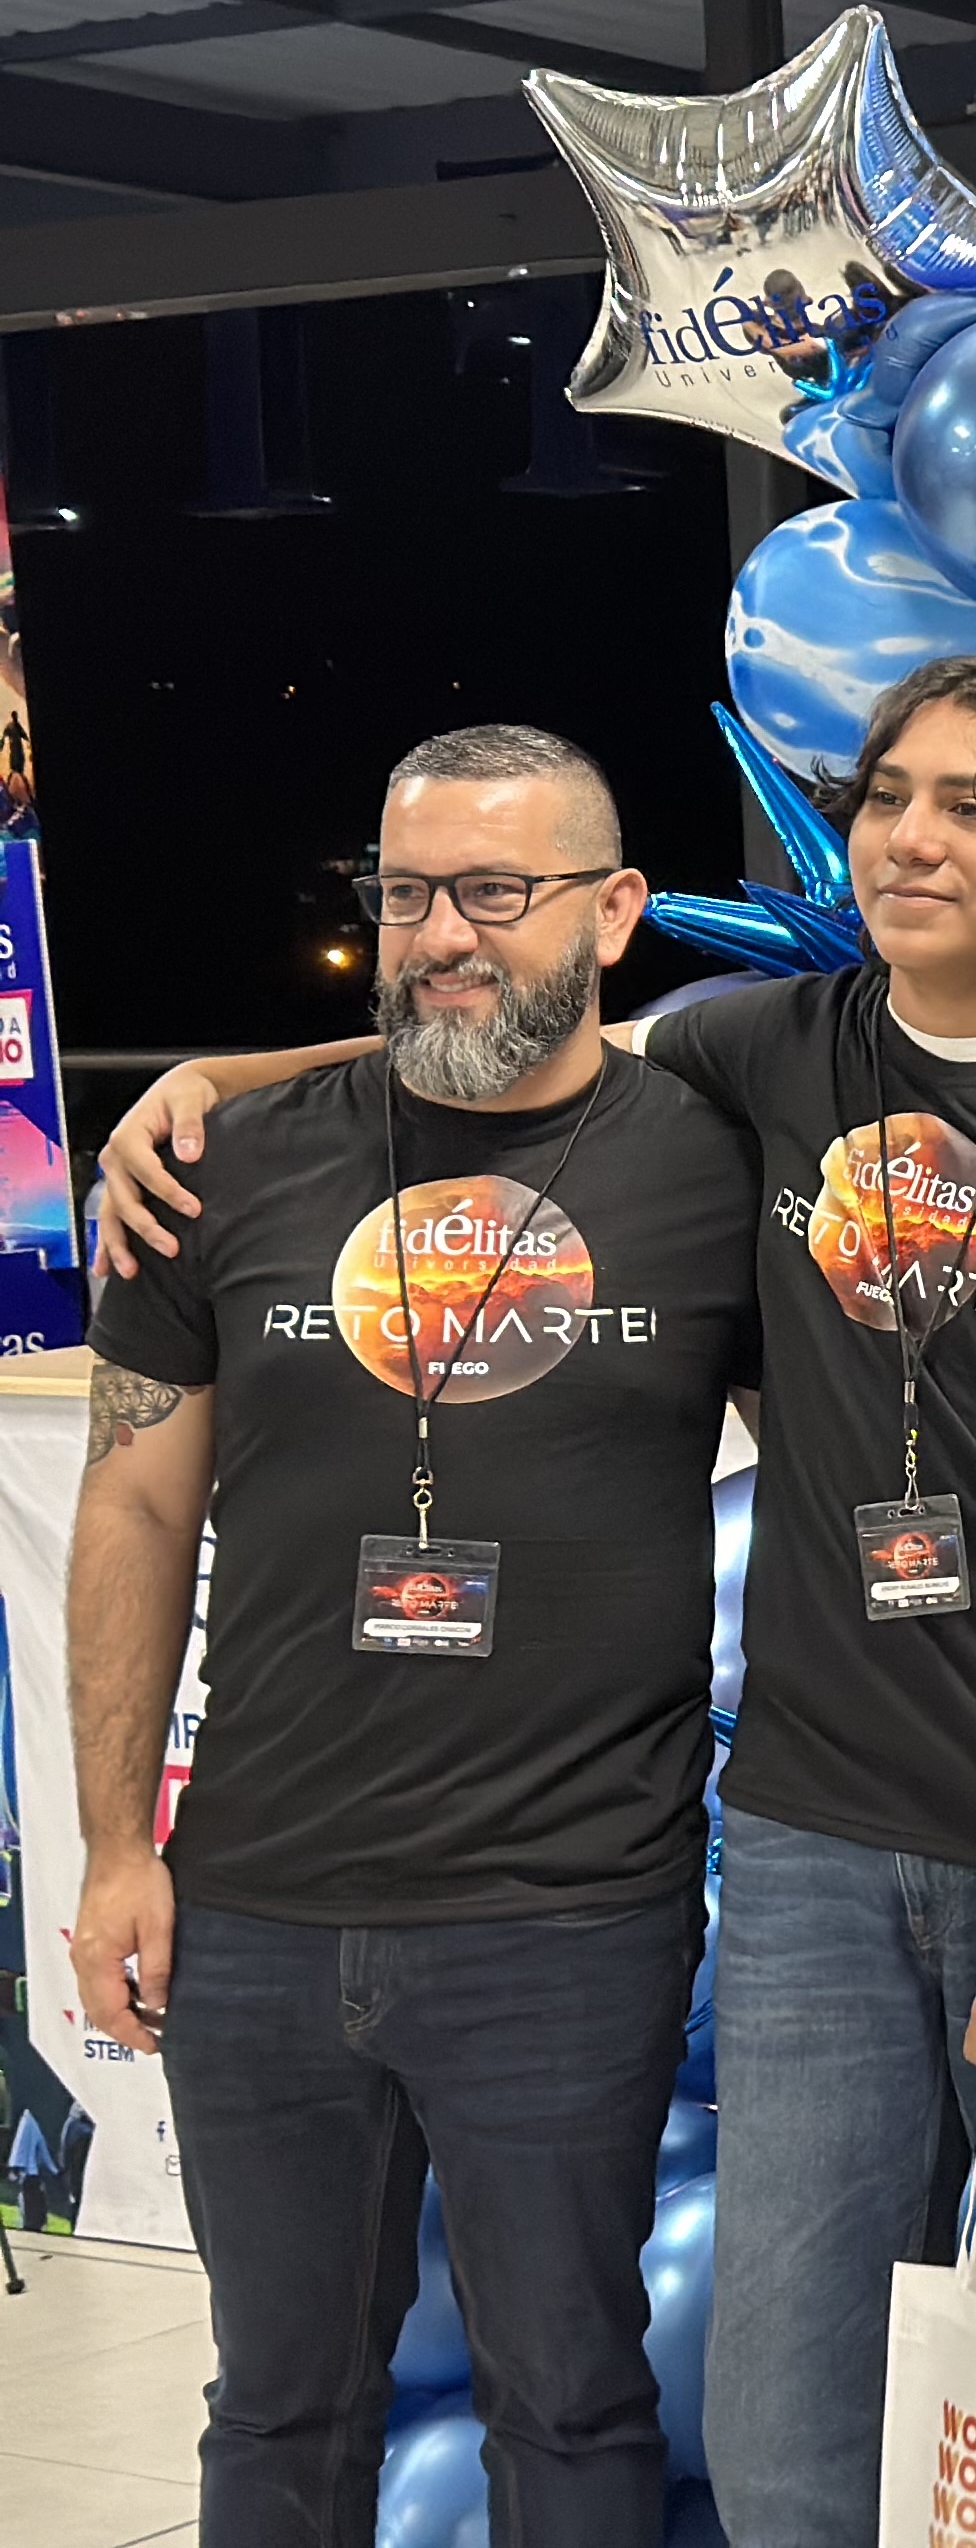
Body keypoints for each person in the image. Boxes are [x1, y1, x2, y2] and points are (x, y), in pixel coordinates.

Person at [94, 656, 976, 2548]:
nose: (908, 839)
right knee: (778, 2443)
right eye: (887, 797)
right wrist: (198, 1087)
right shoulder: (763, 1054)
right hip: (802, 1846)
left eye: (970, 805)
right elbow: (485, 1032)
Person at [68, 726, 759, 2548]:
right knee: (276, 2406)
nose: (444, 933)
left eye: (499, 892)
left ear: (615, 912)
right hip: (257, 1912)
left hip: (571, 1918)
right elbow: (131, 1509)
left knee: (573, 2401)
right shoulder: (220, 1168)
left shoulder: (718, 1166)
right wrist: (116, 1846)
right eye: (407, 892)